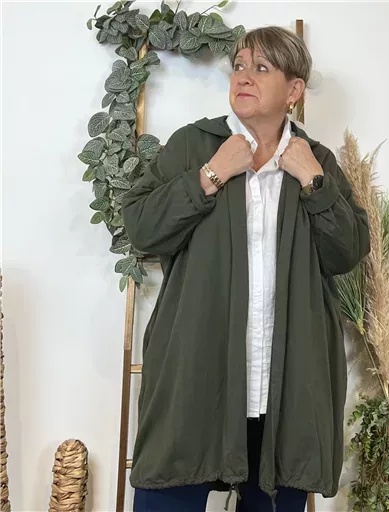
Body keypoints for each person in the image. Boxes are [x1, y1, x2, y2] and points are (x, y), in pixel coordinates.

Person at [122, 25, 370, 512]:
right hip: (197, 378)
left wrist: (313, 181)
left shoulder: (316, 160)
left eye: (261, 67)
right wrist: (210, 174)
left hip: (286, 390)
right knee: (166, 492)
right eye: (238, 66)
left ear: (294, 90)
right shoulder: (193, 146)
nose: (244, 77)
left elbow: (348, 251)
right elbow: (142, 227)